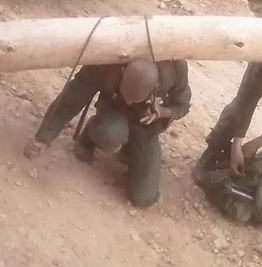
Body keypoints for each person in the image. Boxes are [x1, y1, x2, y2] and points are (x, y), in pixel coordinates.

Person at [24, 59, 192, 207]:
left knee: (143, 197)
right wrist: (43, 138)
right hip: (113, 110)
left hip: (144, 125)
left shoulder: (174, 68)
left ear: (154, 89)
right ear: (123, 71)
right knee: (111, 134)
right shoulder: (108, 63)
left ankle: (129, 152)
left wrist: (162, 111)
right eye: (126, 94)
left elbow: (183, 105)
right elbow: (71, 99)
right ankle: (90, 136)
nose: (129, 101)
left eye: (135, 99)